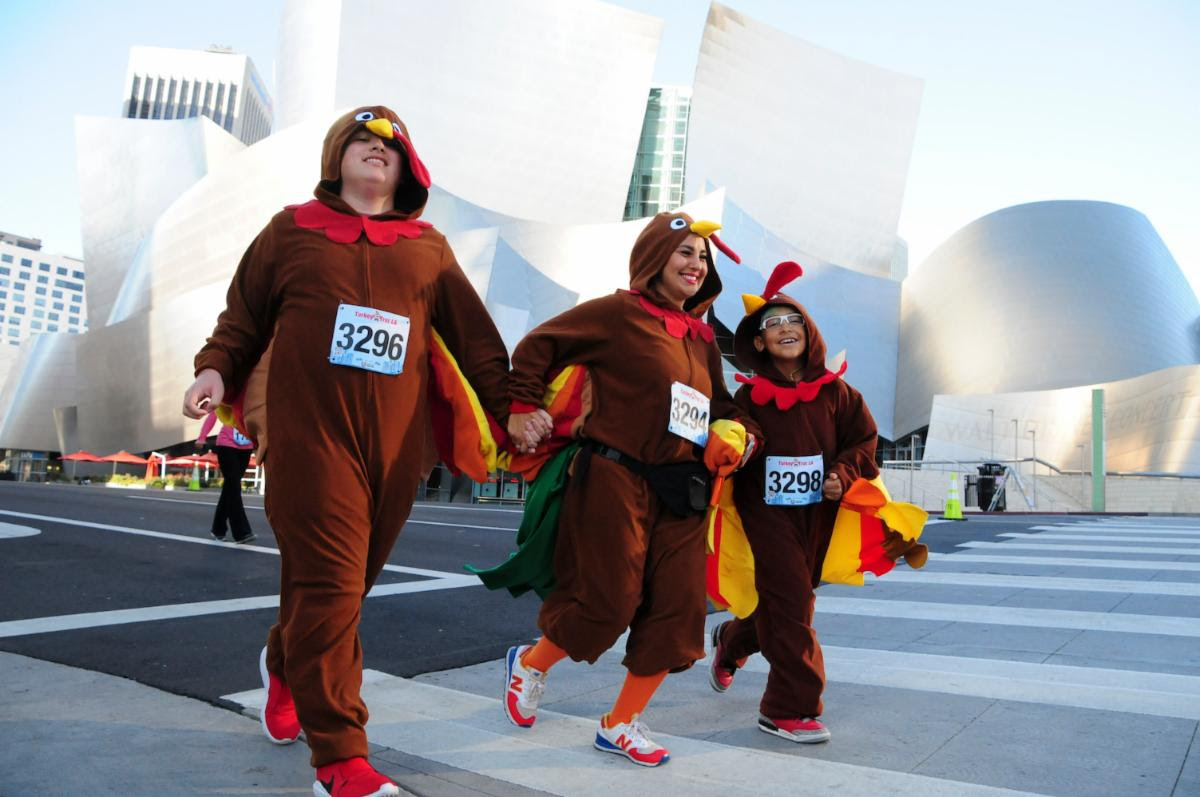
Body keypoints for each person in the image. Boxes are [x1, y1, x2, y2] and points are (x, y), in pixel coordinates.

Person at [182, 105, 546, 797]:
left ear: (407, 168)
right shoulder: (290, 230)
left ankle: (285, 662)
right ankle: (341, 757)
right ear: (335, 156)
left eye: (391, 144)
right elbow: (243, 316)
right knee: (329, 583)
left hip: (396, 449)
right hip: (308, 438)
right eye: (361, 139)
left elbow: (475, 342)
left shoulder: (427, 248)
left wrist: (513, 407)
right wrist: (214, 368)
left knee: (343, 587)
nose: (376, 149)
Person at [499, 211, 757, 767]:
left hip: (683, 490)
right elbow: (540, 345)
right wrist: (523, 406)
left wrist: (735, 436)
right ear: (653, 258)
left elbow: (725, 408)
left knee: (679, 610)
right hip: (614, 477)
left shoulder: (704, 340)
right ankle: (531, 664)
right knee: (607, 600)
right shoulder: (617, 313)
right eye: (684, 251)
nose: (695, 264)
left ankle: (620, 723)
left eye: (703, 256)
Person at [707, 261, 879, 744]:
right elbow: (747, 434)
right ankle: (788, 707)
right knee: (794, 605)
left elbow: (864, 443)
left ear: (810, 331)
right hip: (765, 513)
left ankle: (732, 640)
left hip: (820, 515)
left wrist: (842, 475)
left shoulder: (841, 394)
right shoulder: (749, 399)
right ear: (758, 343)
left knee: (787, 602)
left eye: (793, 320)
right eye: (772, 324)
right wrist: (742, 444)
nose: (785, 329)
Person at [196, 410, 255, 543]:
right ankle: (241, 532)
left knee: (230, 488)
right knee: (234, 486)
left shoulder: (254, 396)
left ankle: (218, 529)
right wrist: (202, 437)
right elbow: (213, 415)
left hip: (246, 447)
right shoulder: (229, 393)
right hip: (226, 444)